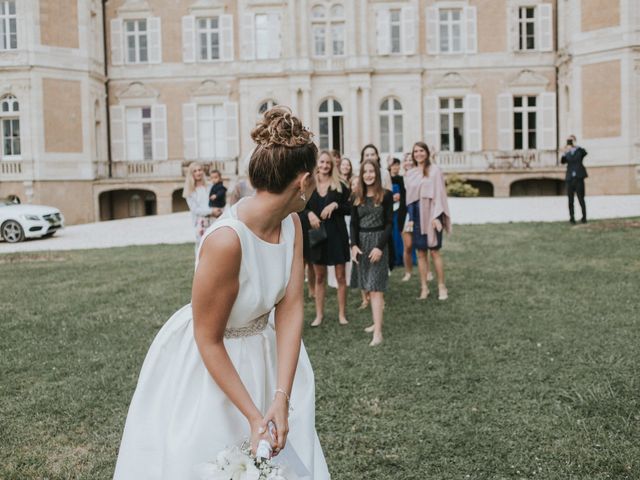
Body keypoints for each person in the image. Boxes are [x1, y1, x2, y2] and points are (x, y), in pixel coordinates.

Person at [114, 106, 330, 479]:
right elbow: (207, 337)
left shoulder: (292, 222)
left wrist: (281, 397)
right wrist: (252, 414)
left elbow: (292, 307)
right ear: (305, 180)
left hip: (266, 354)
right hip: (211, 363)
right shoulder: (226, 241)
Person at [304, 151, 351, 327]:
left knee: (340, 276)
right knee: (319, 277)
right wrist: (309, 215)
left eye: (328, 163)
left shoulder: (340, 185)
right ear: (317, 163)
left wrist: (335, 204)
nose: (324, 166)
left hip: (337, 235)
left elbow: (350, 208)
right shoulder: (308, 184)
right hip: (317, 237)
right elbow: (300, 207)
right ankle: (319, 315)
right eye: (322, 162)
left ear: (332, 165)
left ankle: (342, 314)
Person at [350, 160, 393, 347]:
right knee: (367, 286)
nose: (368, 175)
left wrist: (379, 247)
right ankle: (376, 322)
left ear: (377, 173)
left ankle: (378, 333)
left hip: (378, 245)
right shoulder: (356, 196)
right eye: (365, 172)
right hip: (362, 245)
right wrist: (353, 245)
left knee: (376, 289)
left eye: (371, 171)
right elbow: (353, 224)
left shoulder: (386, 195)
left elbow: (389, 224)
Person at [404, 142, 451, 301]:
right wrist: (410, 218)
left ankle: (441, 286)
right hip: (417, 216)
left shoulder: (435, 171)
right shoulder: (410, 173)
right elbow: (409, 199)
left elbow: (440, 194)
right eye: (415, 151)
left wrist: (437, 217)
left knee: (435, 251)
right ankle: (424, 288)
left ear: (426, 152)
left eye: (421, 151)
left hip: (432, 213)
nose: (418, 154)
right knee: (421, 253)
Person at [183, 162, 216, 245]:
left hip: (214, 220)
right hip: (200, 223)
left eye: (199, 170)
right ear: (191, 174)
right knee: (202, 247)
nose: (198, 172)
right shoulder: (189, 192)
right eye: (195, 171)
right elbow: (195, 210)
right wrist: (211, 211)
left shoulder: (210, 186)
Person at [561, 134, 588, 224]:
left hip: (579, 177)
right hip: (570, 178)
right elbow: (562, 161)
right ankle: (572, 218)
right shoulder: (567, 152)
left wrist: (576, 146)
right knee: (570, 200)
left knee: (581, 198)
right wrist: (565, 151)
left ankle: (584, 217)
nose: (570, 142)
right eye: (569, 140)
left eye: (571, 140)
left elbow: (585, 153)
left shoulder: (579, 151)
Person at [389, 158, 406, 268]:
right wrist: (392, 197)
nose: (395, 167)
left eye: (397, 165)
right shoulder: (387, 178)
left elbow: (405, 194)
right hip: (390, 210)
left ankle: (401, 257)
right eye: (393, 165)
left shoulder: (401, 179)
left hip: (399, 210)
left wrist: (400, 197)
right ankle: (393, 257)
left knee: (399, 234)